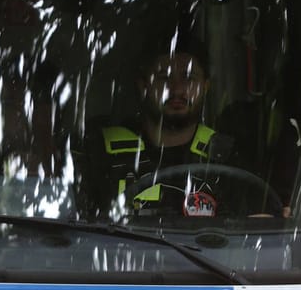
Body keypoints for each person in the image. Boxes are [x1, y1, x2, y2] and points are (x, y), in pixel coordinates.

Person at [91, 42, 245, 221]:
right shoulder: (101, 152)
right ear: (143, 86)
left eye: (189, 78)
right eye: (164, 78)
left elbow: (256, 232)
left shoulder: (227, 158)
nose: (177, 89)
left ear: (205, 86)